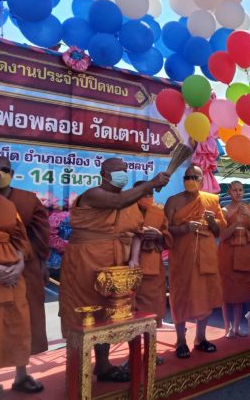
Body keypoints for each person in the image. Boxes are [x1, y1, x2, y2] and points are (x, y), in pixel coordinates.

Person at [59, 158, 169, 382]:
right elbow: (117, 202)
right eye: (117, 170)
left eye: (125, 169)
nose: (123, 173)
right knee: (82, 311)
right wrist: (151, 183)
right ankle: (76, 369)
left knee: (107, 312)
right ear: (103, 174)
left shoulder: (130, 203)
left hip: (116, 263)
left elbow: (136, 232)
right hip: (85, 260)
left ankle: (103, 365)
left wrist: (134, 259)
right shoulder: (93, 194)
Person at [0, 156, 50, 389]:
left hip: (23, 265)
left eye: (3, 170)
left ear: (12, 173)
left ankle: (21, 374)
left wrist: (23, 263)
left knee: (24, 319)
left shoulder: (23, 201)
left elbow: (36, 233)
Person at [165, 165, 226, 358]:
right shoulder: (173, 201)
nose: (190, 180)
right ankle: (180, 340)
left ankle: (201, 337)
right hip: (182, 257)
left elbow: (219, 231)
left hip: (206, 256)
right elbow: (165, 229)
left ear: (202, 180)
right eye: (187, 177)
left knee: (206, 294)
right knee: (181, 294)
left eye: (195, 177)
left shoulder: (212, 200)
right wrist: (184, 228)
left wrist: (212, 222)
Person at [219, 181, 250, 338]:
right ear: (229, 192)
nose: (238, 193)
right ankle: (227, 327)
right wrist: (235, 223)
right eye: (235, 190)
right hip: (227, 255)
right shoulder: (224, 211)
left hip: (244, 254)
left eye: (241, 190)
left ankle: (236, 327)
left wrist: (248, 215)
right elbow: (223, 236)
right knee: (226, 293)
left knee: (240, 293)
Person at [130, 181, 173, 329]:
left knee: (152, 307)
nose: (147, 198)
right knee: (129, 307)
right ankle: (133, 342)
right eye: (143, 194)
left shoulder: (158, 211)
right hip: (127, 262)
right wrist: (136, 234)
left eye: (150, 194)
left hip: (152, 265)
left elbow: (168, 240)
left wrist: (159, 235)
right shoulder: (125, 211)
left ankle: (150, 341)